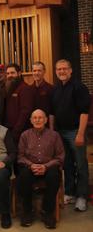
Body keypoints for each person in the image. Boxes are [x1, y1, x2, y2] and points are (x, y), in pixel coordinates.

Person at [50, 59, 91, 211]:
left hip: (75, 131)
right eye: (59, 69)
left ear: (71, 70)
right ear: (55, 71)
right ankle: (70, 192)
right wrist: (53, 132)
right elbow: (52, 113)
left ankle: (82, 196)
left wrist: (80, 134)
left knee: (81, 165)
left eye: (64, 69)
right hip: (60, 132)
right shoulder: (55, 89)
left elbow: (84, 112)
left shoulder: (79, 87)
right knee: (66, 164)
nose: (61, 71)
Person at [17, 109, 65, 229]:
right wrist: (31, 165)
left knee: (54, 175)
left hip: (49, 167)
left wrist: (45, 166)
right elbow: (20, 156)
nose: (37, 120)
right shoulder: (25, 135)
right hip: (30, 167)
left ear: (46, 120)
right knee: (23, 176)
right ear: (31, 120)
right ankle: (28, 211)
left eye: (40, 118)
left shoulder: (54, 135)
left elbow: (60, 157)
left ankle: (47, 212)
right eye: (35, 118)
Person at [4, 63, 34, 143]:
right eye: (8, 73)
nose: (10, 75)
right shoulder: (9, 88)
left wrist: (16, 130)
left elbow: (25, 111)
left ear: (19, 73)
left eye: (12, 73)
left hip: (20, 131)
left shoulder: (25, 88)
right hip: (10, 130)